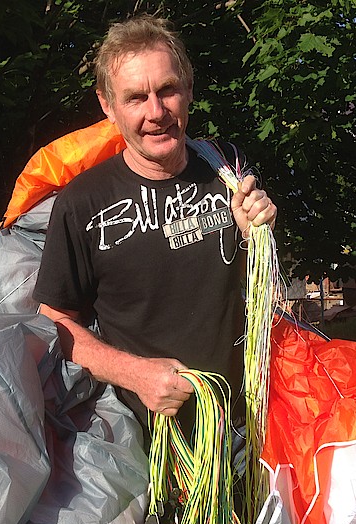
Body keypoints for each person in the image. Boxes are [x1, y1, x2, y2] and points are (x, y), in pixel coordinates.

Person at [33, 15, 276, 443]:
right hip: (151, 445)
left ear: (189, 89)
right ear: (108, 105)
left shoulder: (227, 168)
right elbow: (54, 322)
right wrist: (136, 374)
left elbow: (255, 288)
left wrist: (253, 236)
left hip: (251, 424)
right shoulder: (82, 203)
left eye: (167, 90)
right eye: (135, 98)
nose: (156, 112)